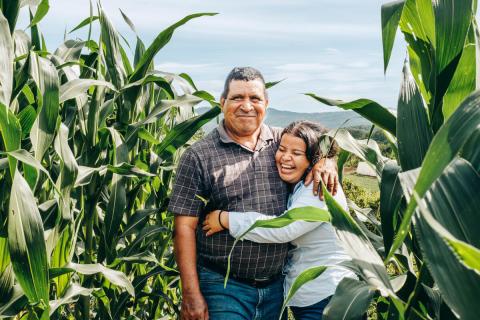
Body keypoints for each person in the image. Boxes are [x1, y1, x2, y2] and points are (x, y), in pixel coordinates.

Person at [168, 67, 338, 320]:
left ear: (266, 104)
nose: (247, 106)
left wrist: (326, 160)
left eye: (255, 98)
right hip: (223, 286)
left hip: (276, 289)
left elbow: (322, 141)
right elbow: (183, 227)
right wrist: (190, 293)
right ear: (222, 102)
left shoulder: (282, 141)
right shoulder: (199, 156)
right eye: (237, 97)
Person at [202, 120, 356, 320]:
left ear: (313, 157)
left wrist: (226, 219)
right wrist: (326, 160)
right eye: (282, 149)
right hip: (312, 297)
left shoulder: (320, 188)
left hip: (328, 297)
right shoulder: (302, 184)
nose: (285, 158)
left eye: (297, 153)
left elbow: (284, 228)